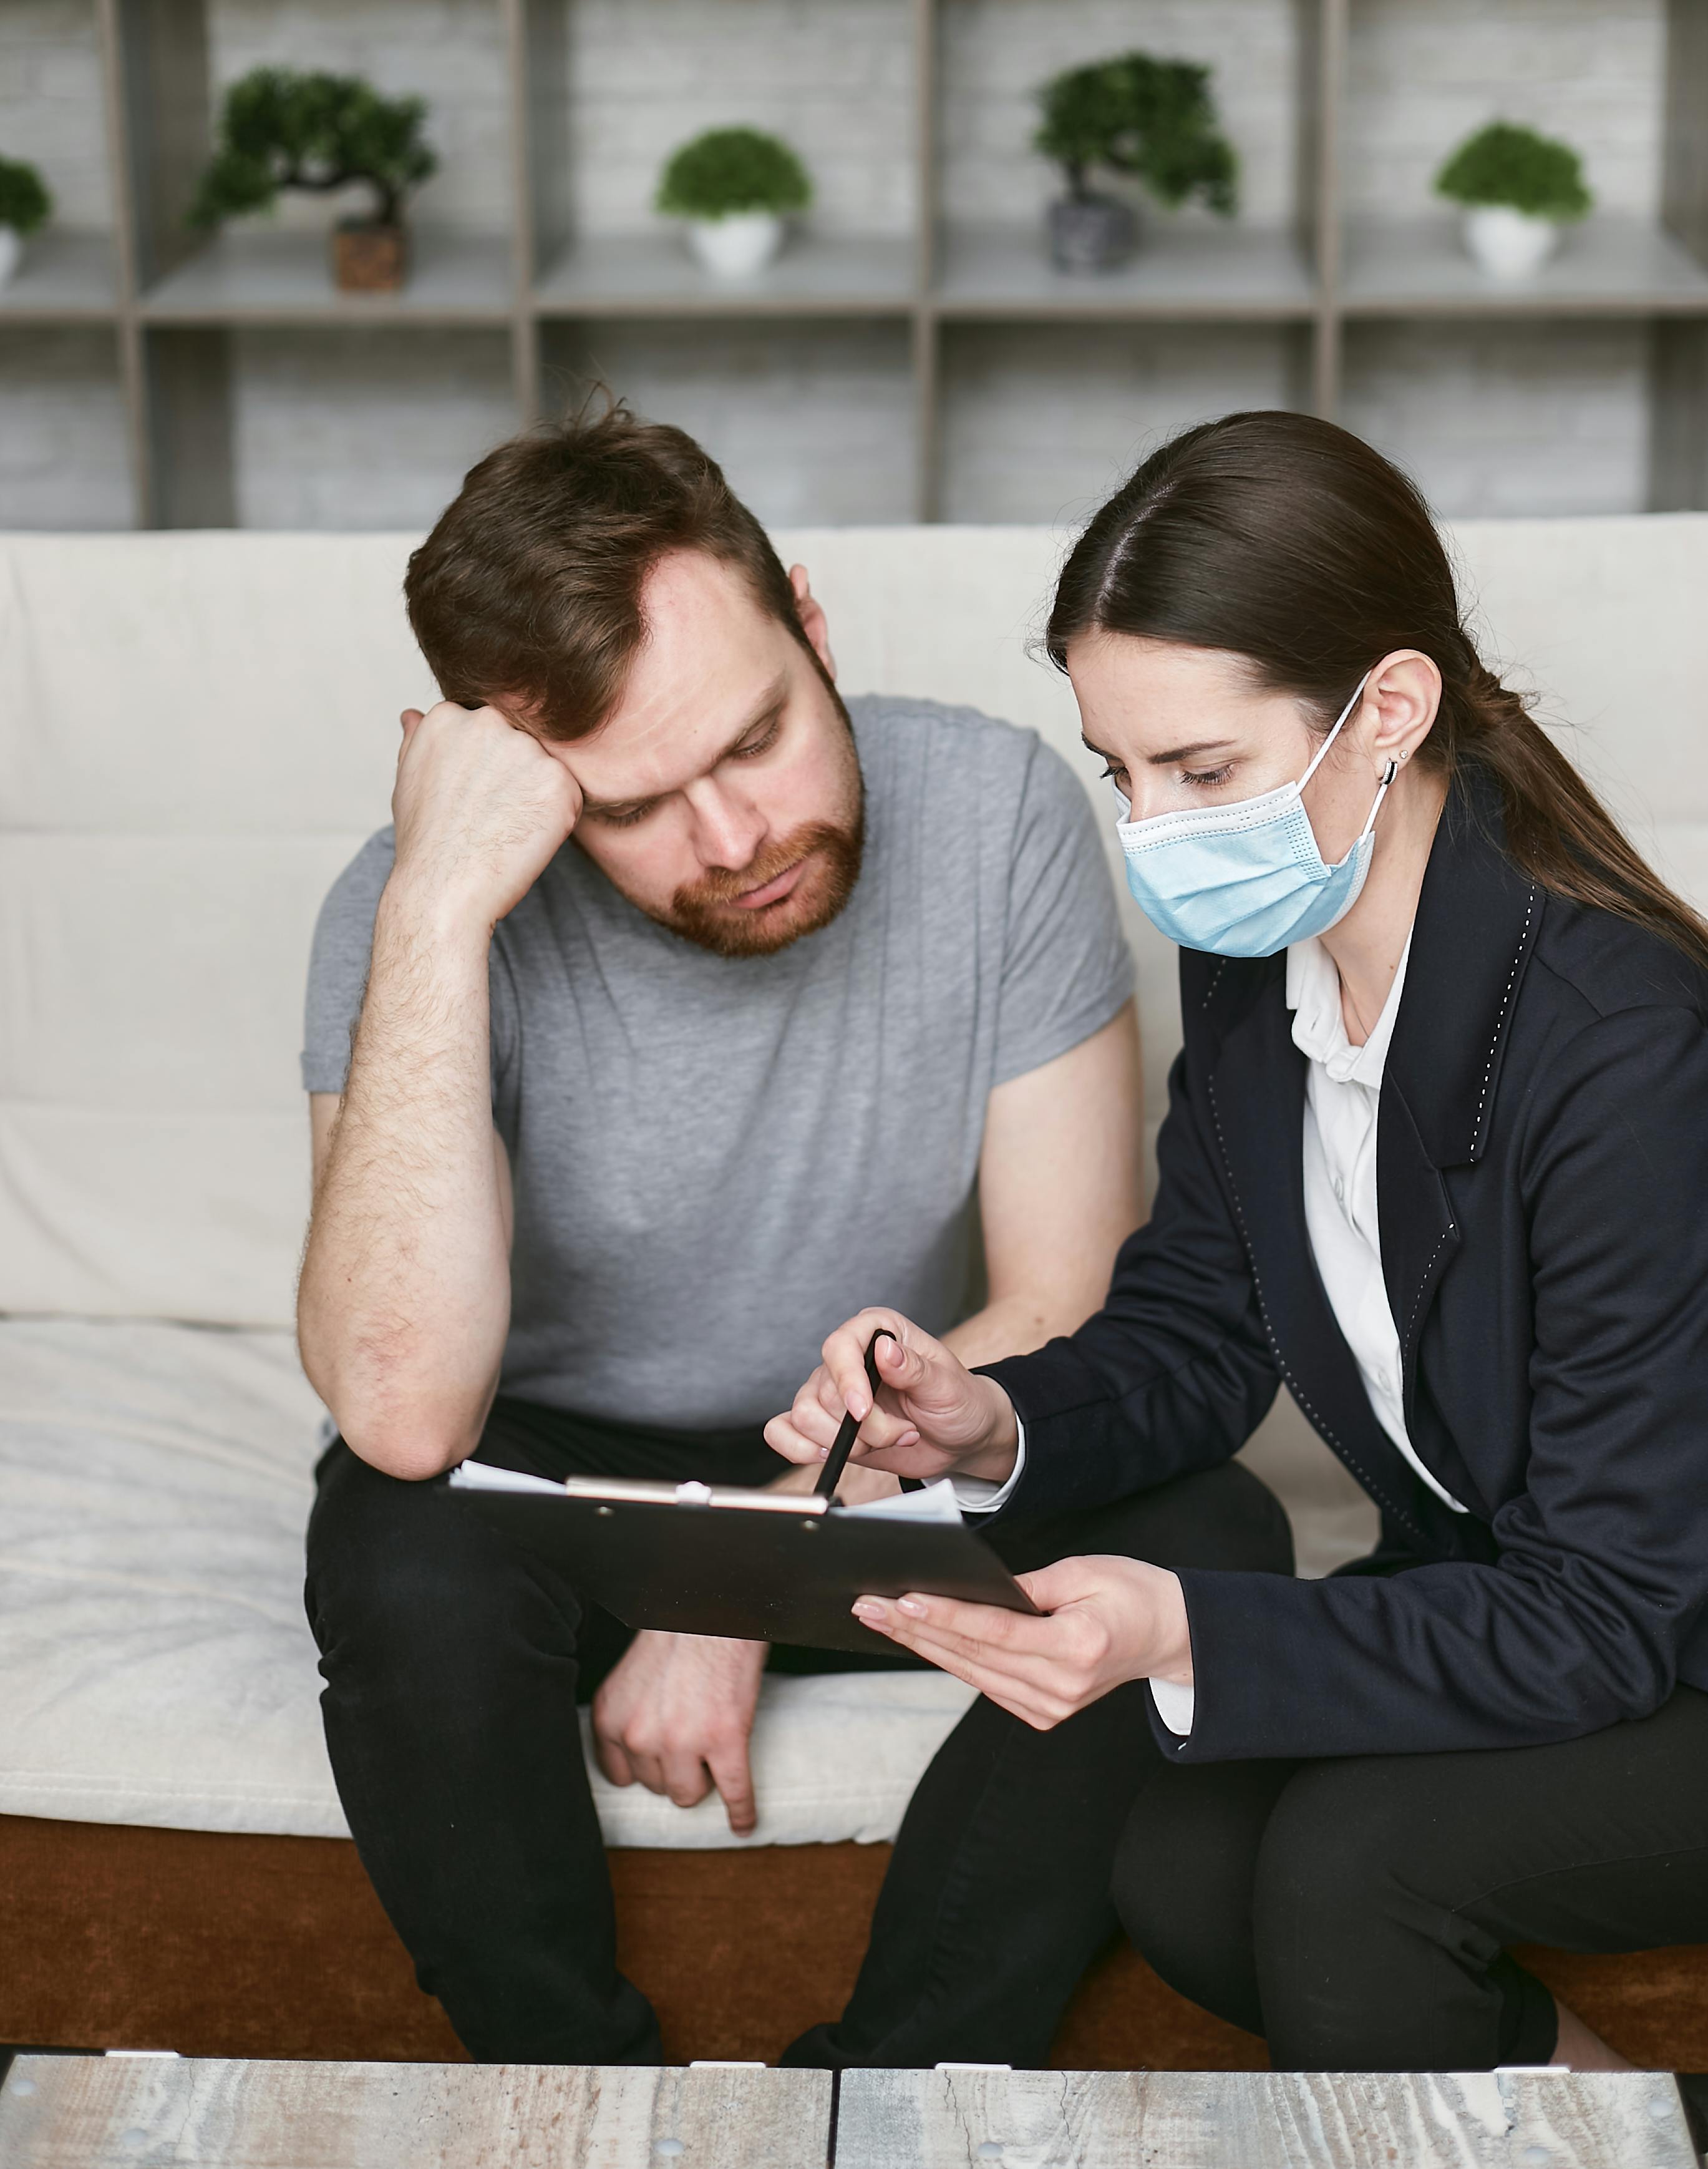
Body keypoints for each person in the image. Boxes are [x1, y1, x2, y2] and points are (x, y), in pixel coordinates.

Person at [295, 403, 1294, 2067]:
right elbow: (404, 1411)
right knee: (398, 1541)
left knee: (1214, 1522)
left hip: (887, 1432)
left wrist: (740, 1586)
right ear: (519, 774)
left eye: (756, 736)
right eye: (633, 804)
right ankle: (577, 2100)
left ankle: (888, 2090)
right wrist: (436, 904)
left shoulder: (994, 808)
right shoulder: (403, 915)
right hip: (556, 1475)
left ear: (810, 623)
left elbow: (1066, 1301)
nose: (735, 838)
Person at [767, 409, 1708, 2074]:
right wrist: (991, 1418)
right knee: (1182, 1861)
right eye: (1116, 771)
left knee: (1354, 1870)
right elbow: (1201, 1327)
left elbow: (1609, 1608)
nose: (1152, 833)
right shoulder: (1258, 954)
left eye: (1199, 772)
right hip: (1528, 1599)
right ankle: (1615, 2113)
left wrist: (1180, 1627)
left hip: (1659, 1637)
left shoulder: (1620, 1043)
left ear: (1387, 711)